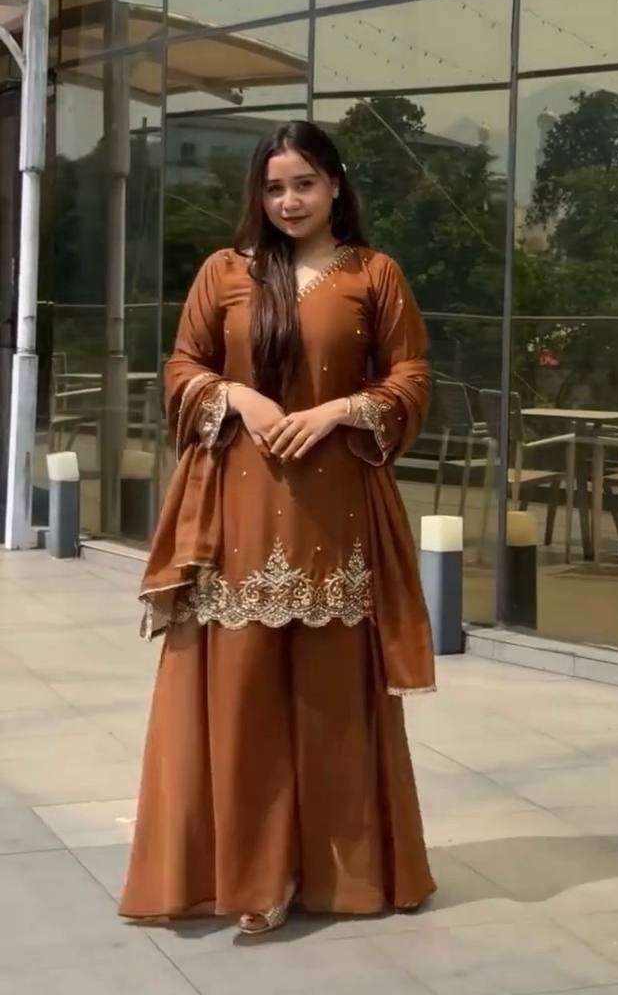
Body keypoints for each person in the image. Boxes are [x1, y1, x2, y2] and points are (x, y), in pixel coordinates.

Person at [119, 119, 437, 934]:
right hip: (235, 507)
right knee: (241, 695)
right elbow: (183, 366)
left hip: (334, 509)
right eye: (273, 188)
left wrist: (339, 410)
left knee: (332, 702)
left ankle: (336, 875)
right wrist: (239, 396)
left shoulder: (374, 274)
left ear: (334, 185)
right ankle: (252, 876)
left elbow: (409, 376)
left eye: (303, 184)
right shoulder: (225, 271)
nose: (288, 201)